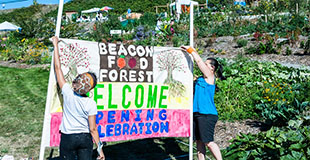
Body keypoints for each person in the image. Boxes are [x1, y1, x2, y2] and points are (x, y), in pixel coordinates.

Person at [52, 36, 105, 160]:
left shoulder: (67, 92)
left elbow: (57, 68)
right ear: (90, 90)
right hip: (84, 139)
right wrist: (99, 149)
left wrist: (55, 45)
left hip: (68, 137)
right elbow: (93, 129)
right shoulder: (91, 103)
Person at [181, 46, 225, 160]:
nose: (203, 66)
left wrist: (192, 51)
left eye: (207, 64)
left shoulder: (210, 77)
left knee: (208, 142)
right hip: (196, 113)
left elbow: (199, 61)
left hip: (207, 115)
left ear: (212, 68)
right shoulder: (199, 79)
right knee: (199, 143)